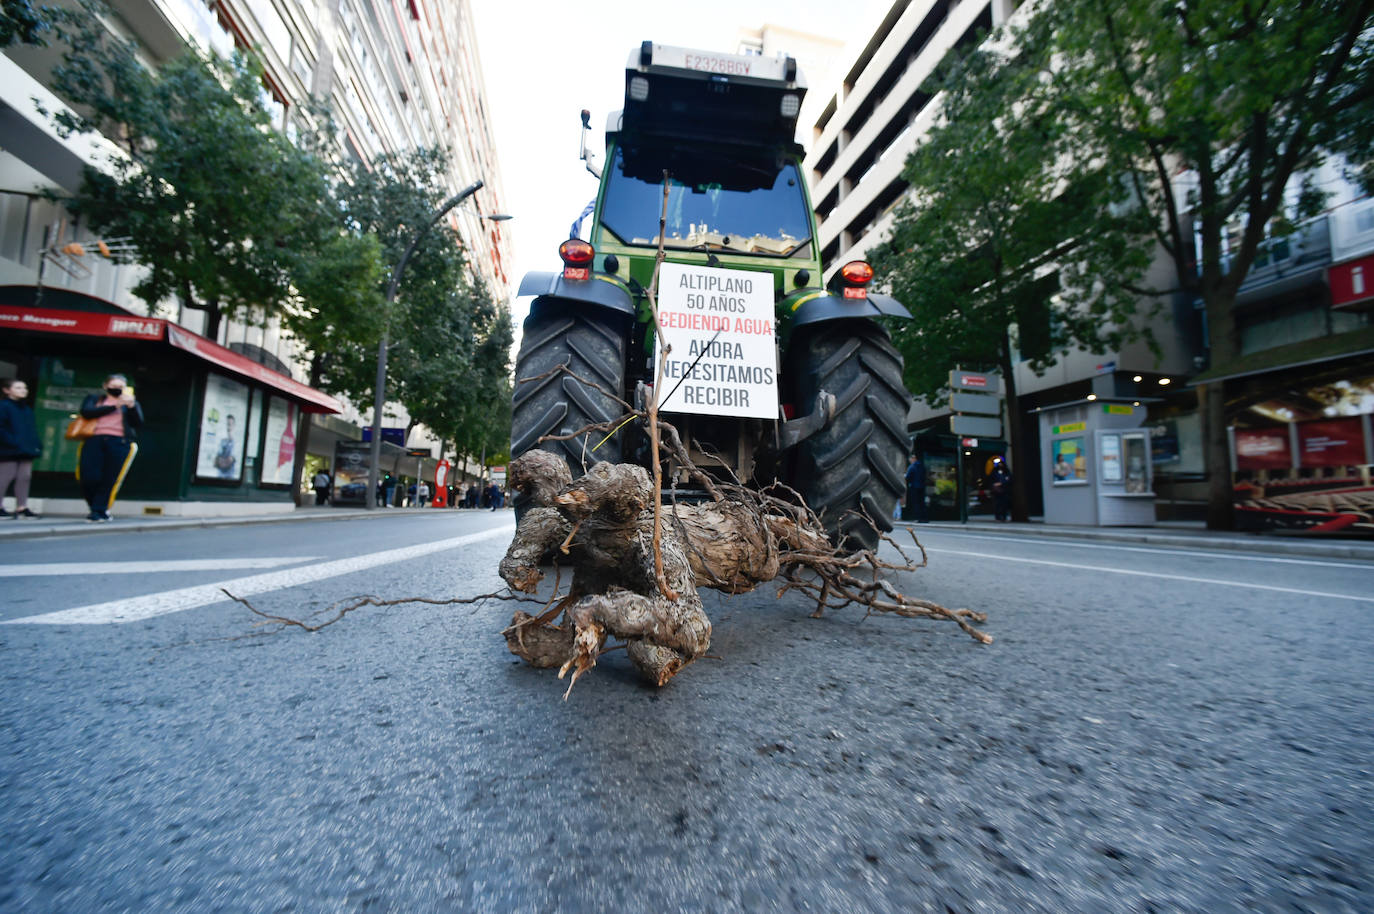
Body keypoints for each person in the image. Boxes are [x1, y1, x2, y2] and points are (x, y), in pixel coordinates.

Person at [78, 373, 143, 522]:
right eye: (114, 386)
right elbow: (86, 413)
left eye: (121, 387)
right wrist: (114, 406)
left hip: (119, 442)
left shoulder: (130, 403)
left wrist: (131, 407)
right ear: (105, 386)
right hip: (94, 440)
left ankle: (98, 510)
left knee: (109, 478)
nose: (117, 389)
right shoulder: (95, 399)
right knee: (88, 477)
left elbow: (138, 423)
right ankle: (96, 506)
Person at [0, 378, 42, 518]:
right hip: (8, 448)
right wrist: (12, 442)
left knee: (25, 477)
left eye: (24, 388)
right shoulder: (4, 406)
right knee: (5, 476)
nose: (23, 390)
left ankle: (21, 507)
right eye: (18, 388)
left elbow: (30, 430)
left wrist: (36, 444)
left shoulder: (26, 409)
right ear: (6, 390)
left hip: (26, 449)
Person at [902, 453, 926, 522]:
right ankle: (924, 518)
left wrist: (905, 476)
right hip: (922, 486)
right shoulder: (922, 466)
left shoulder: (912, 467)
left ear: (913, 459)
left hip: (914, 487)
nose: (910, 461)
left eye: (910, 459)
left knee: (916, 503)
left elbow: (908, 477)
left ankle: (918, 518)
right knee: (922, 502)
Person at [990, 455, 1012, 522]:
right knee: (997, 504)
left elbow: (1009, 480)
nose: (1000, 465)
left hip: (1004, 490)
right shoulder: (995, 472)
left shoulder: (1006, 472)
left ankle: (1003, 516)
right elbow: (991, 480)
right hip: (997, 491)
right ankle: (998, 517)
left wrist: (1001, 483)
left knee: (1004, 504)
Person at [215, 414, 238, 478]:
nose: (228, 427)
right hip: (219, 477)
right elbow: (217, 462)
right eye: (227, 424)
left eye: (230, 424)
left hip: (230, 478)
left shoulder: (237, 443)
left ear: (234, 426)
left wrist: (224, 460)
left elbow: (229, 461)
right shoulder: (221, 441)